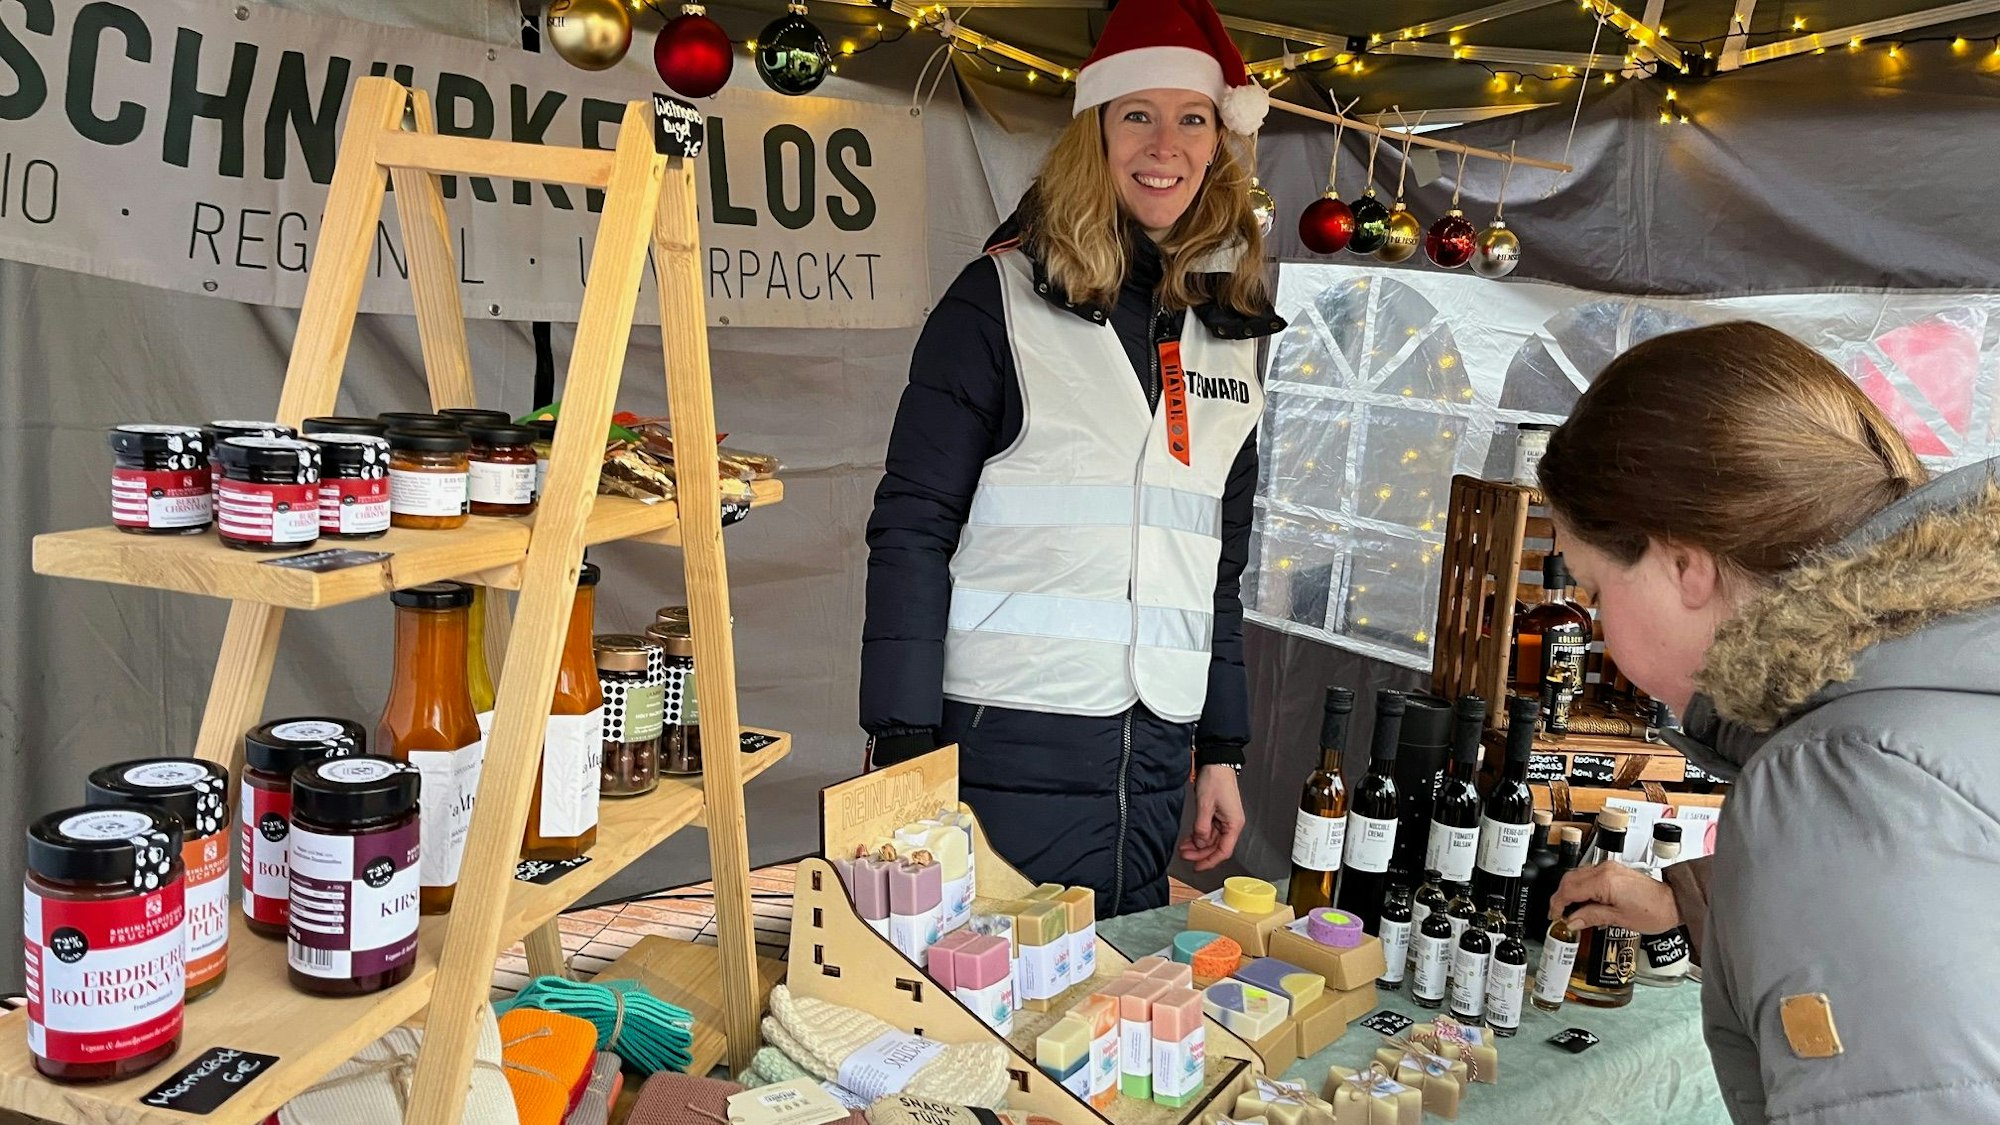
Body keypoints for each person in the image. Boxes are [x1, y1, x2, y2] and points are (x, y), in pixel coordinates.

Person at [859, 0, 1284, 917]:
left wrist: (1220, 749)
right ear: (1094, 132)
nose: (1163, 144)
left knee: (1103, 1017)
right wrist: (901, 747)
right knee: (979, 1009)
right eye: (1137, 113)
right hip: (1001, 739)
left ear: (1219, 143)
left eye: (1192, 117)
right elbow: (911, 529)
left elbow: (1218, 569)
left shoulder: (1230, 334)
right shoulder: (995, 302)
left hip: (1156, 755)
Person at [1541, 321, 2000, 1123]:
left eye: (1593, 587)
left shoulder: (1836, 778)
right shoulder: (1947, 663)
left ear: (1685, 564)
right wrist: (1691, 901)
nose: (1596, 626)